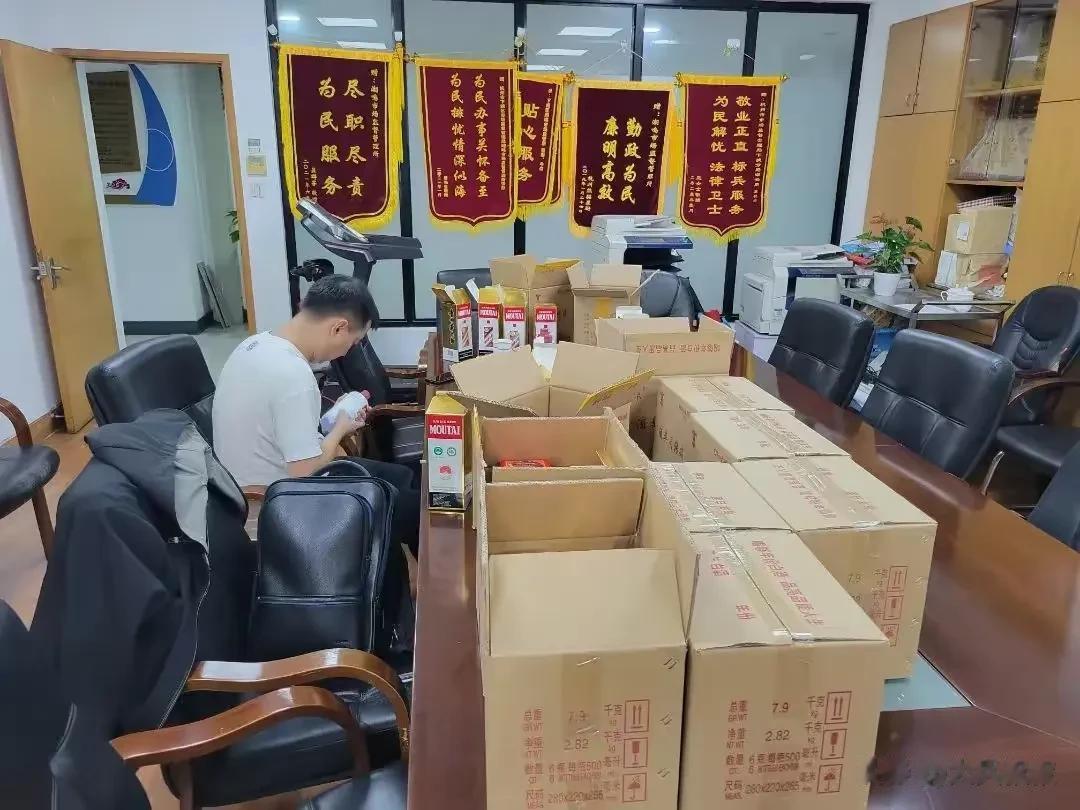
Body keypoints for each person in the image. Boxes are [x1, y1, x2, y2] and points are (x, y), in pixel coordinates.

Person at [213, 274, 420, 554]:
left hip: (246, 488)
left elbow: (279, 428)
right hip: (281, 500)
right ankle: (404, 576)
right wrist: (340, 429)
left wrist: (334, 419)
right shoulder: (292, 374)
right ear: (338, 328)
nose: (346, 352)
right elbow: (306, 473)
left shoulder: (255, 345)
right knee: (408, 506)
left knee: (402, 478)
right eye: (353, 342)